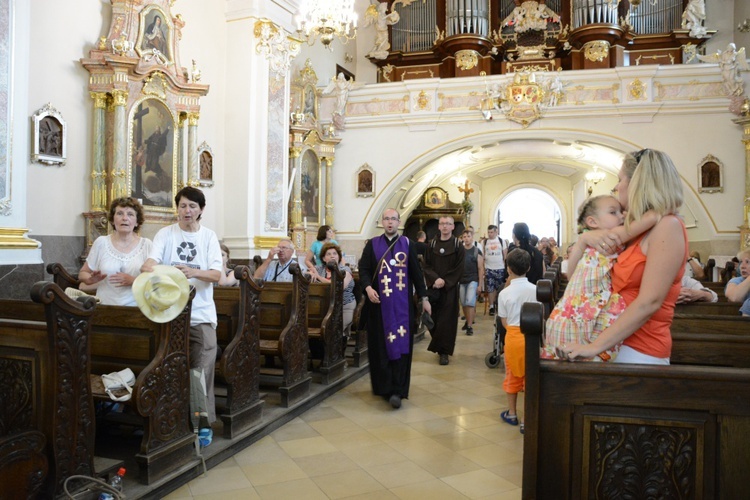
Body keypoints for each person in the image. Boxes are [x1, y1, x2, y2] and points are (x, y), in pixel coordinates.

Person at [560, 149, 687, 365]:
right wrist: (584, 239)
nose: (617, 187)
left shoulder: (668, 226)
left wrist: (595, 346)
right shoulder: (637, 228)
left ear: (638, 183)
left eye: (620, 180)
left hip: (640, 347)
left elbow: (650, 301)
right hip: (614, 342)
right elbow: (577, 278)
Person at [141, 186, 222, 435]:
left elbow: (216, 275)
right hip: (168, 315)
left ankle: (202, 423)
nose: (187, 211)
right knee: (167, 367)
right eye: (183, 205)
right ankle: (169, 419)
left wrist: (192, 272)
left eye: (192, 206)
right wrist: (152, 266)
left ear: (201, 210)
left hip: (201, 315)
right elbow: (149, 264)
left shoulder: (208, 237)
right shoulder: (166, 234)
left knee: (201, 370)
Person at [543, 195, 658, 361]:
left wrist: (582, 240)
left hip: (573, 313)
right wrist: (661, 210)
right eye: (613, 212)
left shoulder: (598, 239)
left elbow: (570, 273)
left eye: (622, 211)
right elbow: (651, 218)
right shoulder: (609, 238)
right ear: (593, 222)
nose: (622, 216)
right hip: (582, 312)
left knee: (572, 362)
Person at [358, 209, 431, 409]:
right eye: (387, 219)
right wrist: (368, 287)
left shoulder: (408, 244)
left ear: (399, 222)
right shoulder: (372, 245)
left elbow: (417, 274)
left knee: (401, 345)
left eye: (393, 219)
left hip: (402, 307)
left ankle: (397, 390)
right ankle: (384, 387)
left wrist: (424, 298)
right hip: (378, 306)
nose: (390, 222)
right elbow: (363, 269)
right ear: (382, 222)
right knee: (380, 346)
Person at [78, 197, 152, 305]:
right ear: (112, 220)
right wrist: (90, 280)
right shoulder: (101, 242)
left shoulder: (147, 245)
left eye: (130, 214)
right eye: (120, 213)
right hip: (105, 308)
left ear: (137, 222)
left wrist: (134, 281)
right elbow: (82, 273)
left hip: (137, 310)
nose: (125, 218)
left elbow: (156, 281)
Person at [497, 249, 537, 435]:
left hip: (512, 337)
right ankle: (527, 420)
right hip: (531, 337)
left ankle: (512, 413)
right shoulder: (536, 290)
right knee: (530, 378)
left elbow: (503, 321)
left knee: (512, 376)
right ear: (528, 267)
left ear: (508, 269)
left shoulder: (504, 293)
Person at [423, 216, 465, 365]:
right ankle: (439, 345)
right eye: (442, 224)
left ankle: (444, 352)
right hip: (434, 287)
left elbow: (459, 268)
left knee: (447, 322)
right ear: (439, 227)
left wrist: (445, 282)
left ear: (453, 227)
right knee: (433, 319)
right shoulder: (431, 244)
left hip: (450, 289)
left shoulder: (458, 245)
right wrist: (435, 279)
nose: (445, 226)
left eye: (448, 224)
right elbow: (426, 266)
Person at [315, 243, 356, 337]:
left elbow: (340, 286)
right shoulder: (319, 269)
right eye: (328, 254)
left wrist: (318, 278)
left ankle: (338, 349)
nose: (332, 256)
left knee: (334, 332)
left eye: (335, 253)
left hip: (344, 306)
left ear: (339, 257)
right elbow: (308, 274)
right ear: (324, 258)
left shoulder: (345, 270)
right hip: (324, 307)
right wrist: (311, 274)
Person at [459, 229, 483, 336]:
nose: (466, 238)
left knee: (470, 302)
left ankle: (469, 326)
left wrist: (480, 285)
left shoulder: (476, 251)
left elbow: (480, 269)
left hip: (472, 280)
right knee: (464, 303)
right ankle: (467, 320)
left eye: (468, 236)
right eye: (464, 237)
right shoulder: (459, 251)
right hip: (461, 280)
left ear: (472, 237)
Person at [482, 224, 507, 316]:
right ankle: (491, 306)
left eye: (492, 232)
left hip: (499, 268)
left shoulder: (501, 241)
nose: (490, 234)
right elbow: (483, 255)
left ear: (496, 232)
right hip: (489, 268)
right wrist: (483, 268)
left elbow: (505, 256)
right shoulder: (484, 242)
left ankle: (498, 304)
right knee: (490, 288)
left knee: (499, 287)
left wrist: (505, 267)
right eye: (489, 232)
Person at [725, 249, 750, 316]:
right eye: (741, 262)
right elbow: (734, 298)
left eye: (747, 262)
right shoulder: (735, 281)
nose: (742, 266)